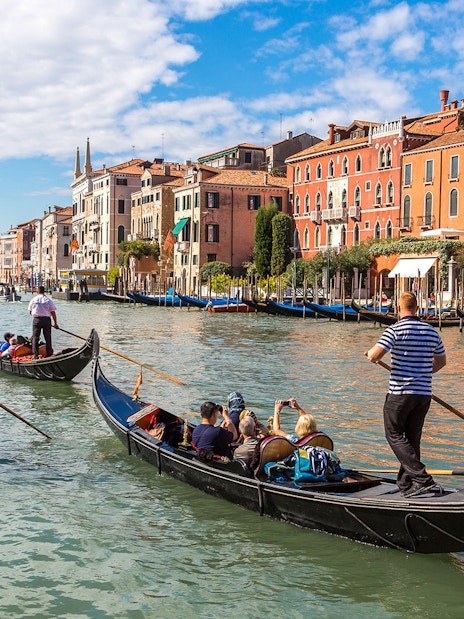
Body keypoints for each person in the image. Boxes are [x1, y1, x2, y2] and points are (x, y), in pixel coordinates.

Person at [366, 291, 447, 498]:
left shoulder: (394, 330)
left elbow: (375, 355)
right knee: (412, 439)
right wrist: (422, 372)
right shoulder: (432, 331)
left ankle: (422, 478)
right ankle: (407, 483)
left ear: (398, 309)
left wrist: (370, 355)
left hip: (400, 393)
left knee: (393, 434)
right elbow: (441, 362)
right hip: (423, 395)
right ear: (417, 309)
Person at [28, 285, 59, 358]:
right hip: (46, 320)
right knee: (48, 337)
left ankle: (35, 355)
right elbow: (53, 313)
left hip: (37, 320)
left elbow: (30, 312)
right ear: (44, 292)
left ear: (37, 292)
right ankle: (49, 354)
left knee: (35, 337)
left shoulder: (33, 300)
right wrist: (55, 324)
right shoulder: (48, 300)